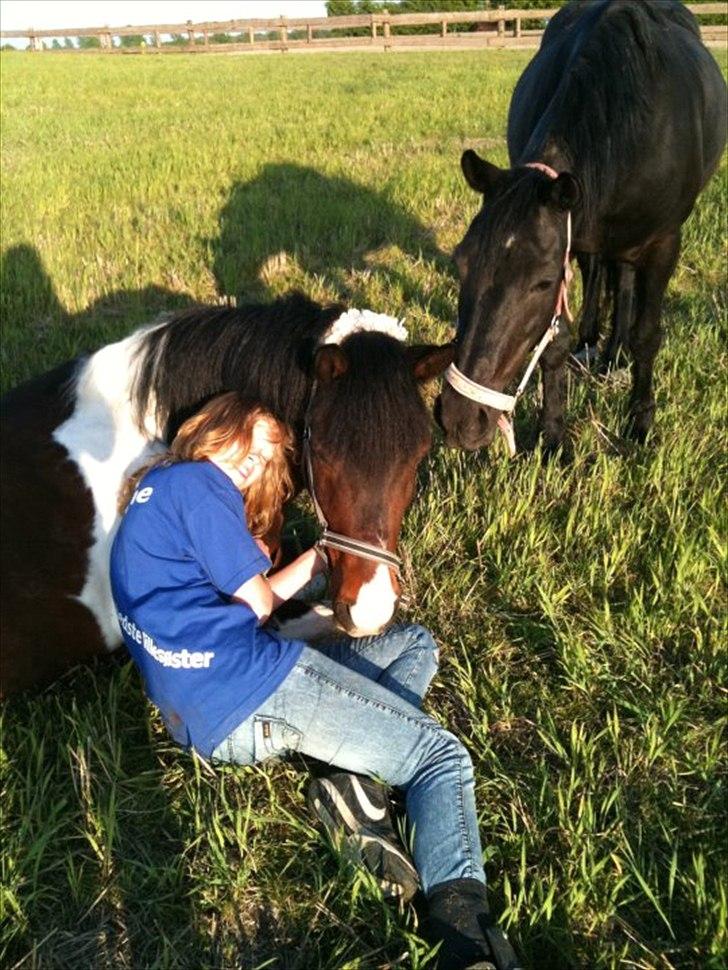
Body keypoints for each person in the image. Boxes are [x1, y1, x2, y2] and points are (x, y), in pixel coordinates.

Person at [110, 391, 521, 970]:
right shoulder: (200, 485)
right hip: (252, 687)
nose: (251, 464)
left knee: (414, 643)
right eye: (246, 444)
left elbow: (243, 603)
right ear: (211, 430)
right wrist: (293, 567)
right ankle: (466, 941)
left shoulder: (155, 495)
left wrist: (319, 559)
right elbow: (258, 605)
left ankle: (349, 782)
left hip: (196, 712)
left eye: (263, 459)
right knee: (440, 758)